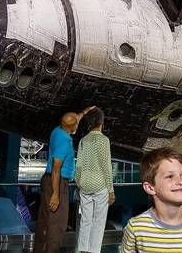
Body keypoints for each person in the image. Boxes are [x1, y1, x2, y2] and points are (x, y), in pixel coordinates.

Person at [34, 107, 94, 253]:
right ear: (73, 127)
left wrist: (84, 112)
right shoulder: (65, 144)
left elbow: (74, 120)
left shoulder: (57, 131)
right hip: (57, 183)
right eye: (76, 124)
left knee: (43, 221)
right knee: (56, 224)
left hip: (47, 181)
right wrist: (56, 194)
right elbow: (56, 168)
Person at [76, 107, 115, 253]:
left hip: (84, 184)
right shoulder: (104, 140)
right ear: (102, 122)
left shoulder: (83, 140)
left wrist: (79, 182)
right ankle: (93, 251)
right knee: (98, 222)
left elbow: (78, 165)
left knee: (85, 221)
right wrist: (110, 190)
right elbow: (106, 166)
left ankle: (83, 251)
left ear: (88, 123)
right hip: (100, 185)